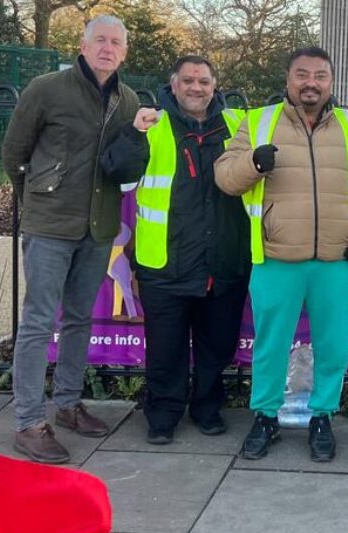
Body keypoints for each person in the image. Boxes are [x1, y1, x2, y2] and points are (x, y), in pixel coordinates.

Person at [215, 46, 348, 462]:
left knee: (334, 345)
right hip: (276, 256)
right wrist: (253, 165)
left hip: (337, 258)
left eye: (320, 75)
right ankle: (264, 417)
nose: (311, 82)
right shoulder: (257, 122)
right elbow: (224, 177)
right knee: (271, 344)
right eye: (302, 74)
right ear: (288, 79)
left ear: (331, 81)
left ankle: (323, 416)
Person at [1, 15, 140, 463]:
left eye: (115, 42)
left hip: (98, 226)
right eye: (99, 40)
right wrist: (38, 199)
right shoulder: (47, 89)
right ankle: (28, 421)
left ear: (124, 52)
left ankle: (67, 404)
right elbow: (14, 153)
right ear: (82, 46)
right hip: (50, 224)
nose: (107, 48)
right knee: (39, 321)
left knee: (79, 318)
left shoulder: (128, 100)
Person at [100, 55, 250, 445]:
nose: (196, 87)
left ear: (215, 86)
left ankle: (207, 408)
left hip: (224, 261)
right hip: (164, 263)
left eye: (203, 81)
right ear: (173, 83)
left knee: (217, 345)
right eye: (188, 80)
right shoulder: (151, 123)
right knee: (165, 349)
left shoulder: (237, 125)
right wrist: (134, 135)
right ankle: (163, 415)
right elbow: (118, 171)